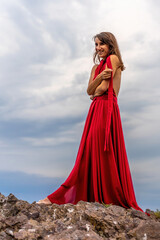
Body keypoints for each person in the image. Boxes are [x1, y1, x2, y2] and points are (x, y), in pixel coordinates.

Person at [36, 32, 147, 215]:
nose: (98, 48)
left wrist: (96, 89)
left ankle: (82, 196)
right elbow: (89, 89)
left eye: (101, 44)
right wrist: (98, 80)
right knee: (89, 152)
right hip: (96, 110)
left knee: (102, 151)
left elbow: (102, 89)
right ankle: (94, 195)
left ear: (110, 44)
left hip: (106, 108)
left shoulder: (113, 58)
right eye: (96, 45)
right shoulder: (96, 67)